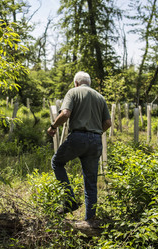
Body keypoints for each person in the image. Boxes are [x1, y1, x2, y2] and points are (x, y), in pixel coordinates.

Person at [47, 71, 111, 221]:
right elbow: (108, 123)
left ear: (76, 83)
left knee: (57, 162)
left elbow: (65, 114)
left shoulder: (73, 92)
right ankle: (90, 221)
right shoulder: (100, 97)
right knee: (91, 182)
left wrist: (53, 126)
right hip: (96, 141)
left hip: (78, 137)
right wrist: (95, 133)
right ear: (89, 83)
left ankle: (69, 201)